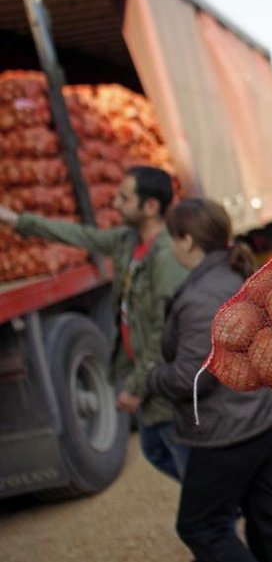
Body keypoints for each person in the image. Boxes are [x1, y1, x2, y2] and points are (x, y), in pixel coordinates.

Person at [0, 165, 189, 480]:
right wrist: (16, 221)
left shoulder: (166, 257)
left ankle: (217, 513)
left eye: (124, 198)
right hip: (151, 382)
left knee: (186, 465)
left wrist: (136, 388)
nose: (115, 204)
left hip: (165, 384)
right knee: (156, 449)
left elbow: (163, 335)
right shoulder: (126, 242)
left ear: (151, 207)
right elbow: (80, 236)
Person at [145, 198, 272, 562]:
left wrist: (152, 377)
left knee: (200, 526)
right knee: (265, 512)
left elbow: (194, 376)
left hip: (230, 429)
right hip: (264, 414)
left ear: (187, 242)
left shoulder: (199, 298)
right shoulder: (233, 273)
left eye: (172, 239)